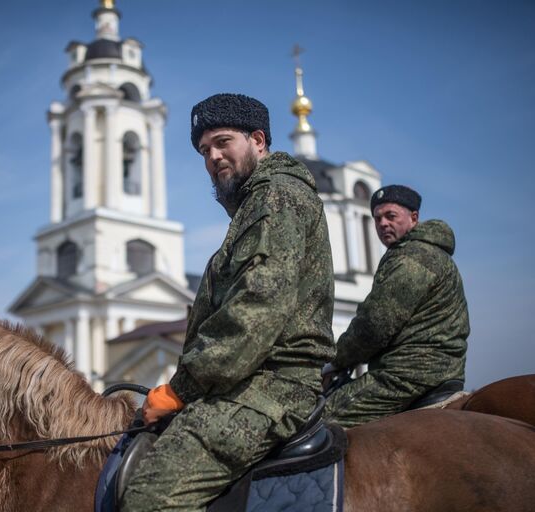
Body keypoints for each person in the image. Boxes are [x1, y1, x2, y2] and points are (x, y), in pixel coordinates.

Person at [121, 93, 335, 512]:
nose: (213, 156)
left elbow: (253, 312)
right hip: (250, 381)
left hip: (273, 388)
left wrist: (179, 390)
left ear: (258, 140)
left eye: (223, 142)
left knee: (148, 498)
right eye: (205, 150)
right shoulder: (257, 203)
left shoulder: (275, 198)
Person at [322, 184, 470, 428]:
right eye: (377, 218)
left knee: (316, 424)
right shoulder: (414, 253)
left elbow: (375, 324)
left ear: (413, 218)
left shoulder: (414, 257)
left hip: (409, 373)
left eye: (391, 216)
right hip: (427, 369)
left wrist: (336, 362)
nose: (382, 224)